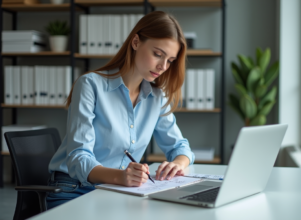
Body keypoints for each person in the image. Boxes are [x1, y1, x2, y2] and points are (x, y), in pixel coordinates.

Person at [46, 11, 195, 209]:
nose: (162, 66)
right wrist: (121, 176)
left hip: (117, 189)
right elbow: (78, 157)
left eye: (170, 61)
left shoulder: (157, 97)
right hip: (73, 188)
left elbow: (180, 147)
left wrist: (179, 163)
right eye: (158, 54)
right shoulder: (90, 85)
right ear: (135, 42)